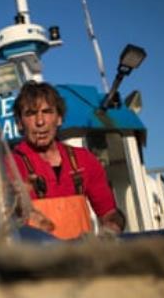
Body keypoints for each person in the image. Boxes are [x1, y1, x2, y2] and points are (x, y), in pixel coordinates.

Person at [11, 81, 125, 239]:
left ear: (59, 118)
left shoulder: (84, 160)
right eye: (31, 113)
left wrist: (110, 230)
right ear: (19, 122)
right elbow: (2, 222)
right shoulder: (10, 166)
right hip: (35, 262)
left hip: (83, 260)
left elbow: (110, 213)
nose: (40, 121)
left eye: (47, 111)